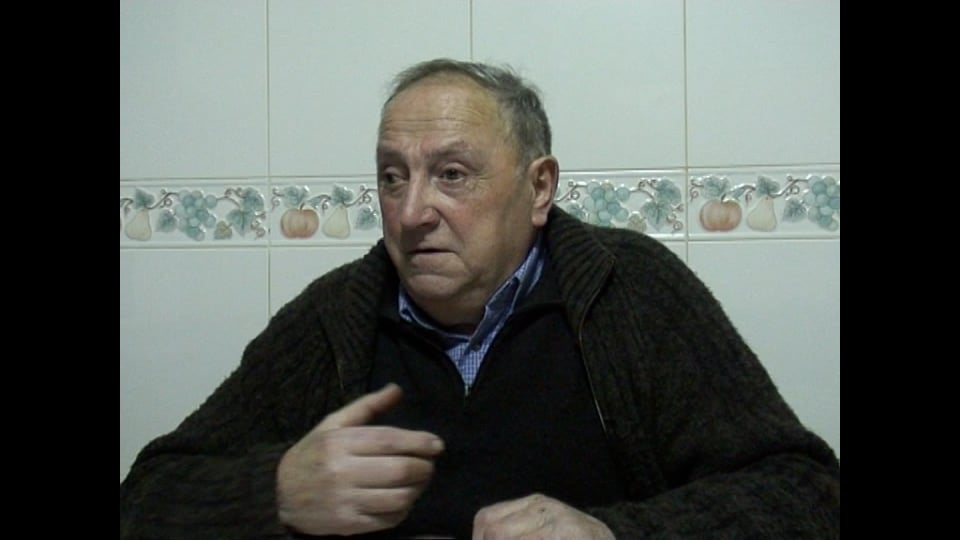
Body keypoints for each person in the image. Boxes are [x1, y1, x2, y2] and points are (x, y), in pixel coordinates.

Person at [119, 58, 840, 539]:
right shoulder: (334, 317)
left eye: (452, 175)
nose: (411, 212)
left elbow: (806, 493)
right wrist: (273, 491)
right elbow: (146, 497)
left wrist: (613, 533)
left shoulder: (631, 293)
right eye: (393, 177)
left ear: (539, 188)